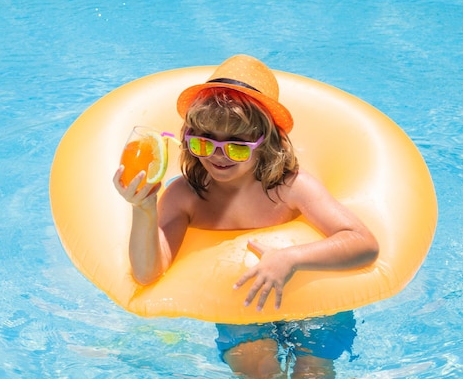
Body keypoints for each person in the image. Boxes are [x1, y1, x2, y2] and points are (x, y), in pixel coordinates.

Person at [113, 54, 379, 378]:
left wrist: (290, 259)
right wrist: (143, 209)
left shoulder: (289, 187)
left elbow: (363, 243)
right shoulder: (187, 195)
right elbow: (147, 273)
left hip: (313, 302)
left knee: (313, 371)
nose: (218, 156)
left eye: (237, 147)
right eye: (203, 143)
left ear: (267, 144)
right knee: (260, 372)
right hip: (239, 307)